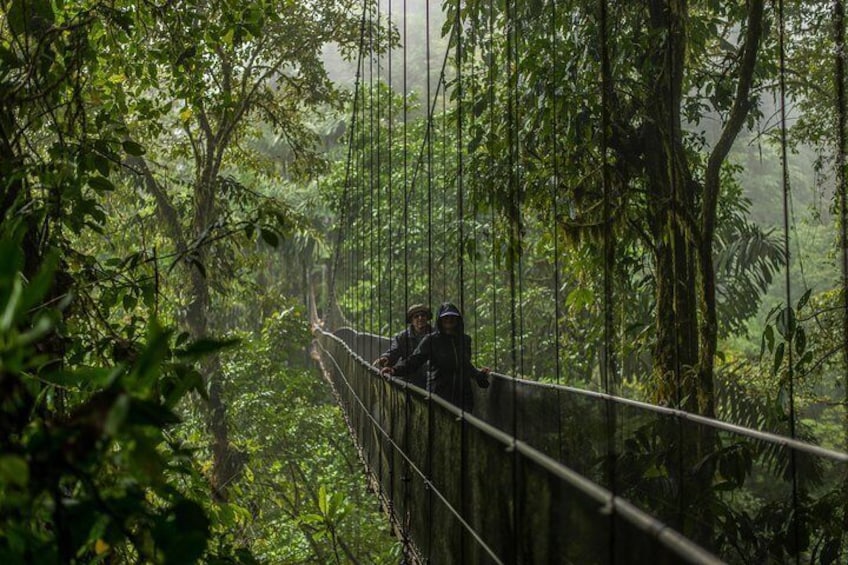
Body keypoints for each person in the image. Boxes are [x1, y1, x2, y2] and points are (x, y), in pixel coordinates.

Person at [381, 302, 490, 412]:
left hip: (462, 395)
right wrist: (394, 370)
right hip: (439, 393)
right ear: (440, 320)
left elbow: (465, 364)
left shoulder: (465, 340)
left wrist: (479, 375)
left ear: (458, 320)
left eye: (453, 317)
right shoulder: (431, 340)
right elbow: (414, 361)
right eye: (446, 318)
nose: (449, 320)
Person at [373, 303, 433, 388]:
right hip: (410, 382)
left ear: (427, 318)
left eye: (423, 315)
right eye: (416, 316)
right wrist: (386, 358)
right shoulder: (402, 337)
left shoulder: (435, 334)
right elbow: (394, 351)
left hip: (431, 383)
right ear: (411, 320)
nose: (420, 318)